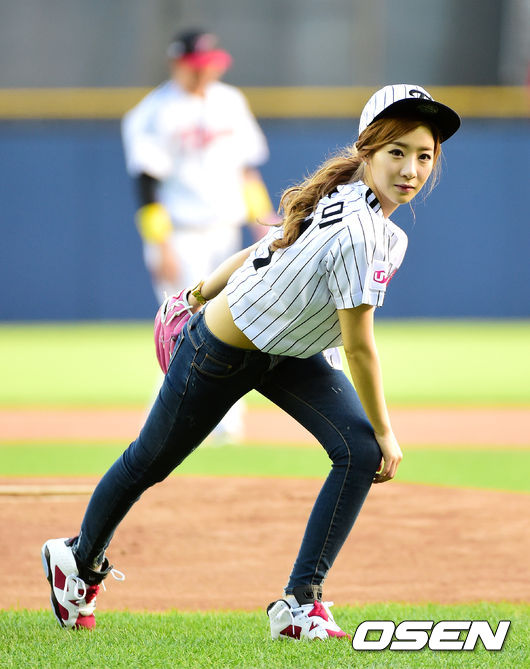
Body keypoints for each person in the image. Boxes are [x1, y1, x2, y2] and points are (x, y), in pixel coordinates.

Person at [42, 84, 460, 638]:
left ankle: (300, 603)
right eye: (396, 151)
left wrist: (196, 292)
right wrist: (386, 431)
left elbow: (266, 247)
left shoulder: (345, 198)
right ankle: (76, 560)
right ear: (367, 150)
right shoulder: (361, 228)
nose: (411, 169)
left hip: (288, 352)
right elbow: (359, 345)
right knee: (150, 461)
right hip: (223, 352)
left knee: (356, 453)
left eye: (424, 155)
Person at [122, 28, 278, 442]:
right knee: (182, 329)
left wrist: (262, 218)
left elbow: (246, 169)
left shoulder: (231, 101)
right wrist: (160, 242)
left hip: (226, 230)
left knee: (232, 321)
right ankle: (161, 424)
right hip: (179, 234)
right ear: (176, 64)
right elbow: (146, 186)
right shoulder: (153, 112)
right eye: (195, 66)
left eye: (209, 65)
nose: (204, 73)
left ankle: (226, 423)